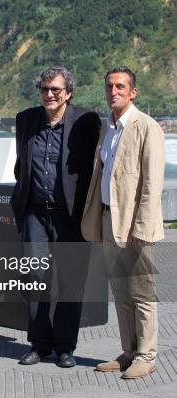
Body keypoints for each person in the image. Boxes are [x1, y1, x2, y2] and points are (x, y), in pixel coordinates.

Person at [11, 66, 101, 368]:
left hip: (70, 217)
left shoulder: (85, 122)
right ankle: (38, 344)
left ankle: (65, 347)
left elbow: (94, 167)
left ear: (69, 93)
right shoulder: (25, 120)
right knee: (34, 279)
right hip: (35, 214)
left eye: (56, 90)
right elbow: (20, 166)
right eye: (44, 88)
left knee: (70, 283)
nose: (49, 94)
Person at [82, 66, 165, 379]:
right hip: (108, 220)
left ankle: (147, 355)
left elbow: (151, 185)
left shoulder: (147, 127)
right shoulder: (109, 129)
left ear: (133, 92)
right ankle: (129, 350)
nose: (113, 92)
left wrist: (141, 230)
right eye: (109, 87)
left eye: (120, 87)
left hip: (134, 226)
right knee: (120, 291)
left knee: (142, 292)